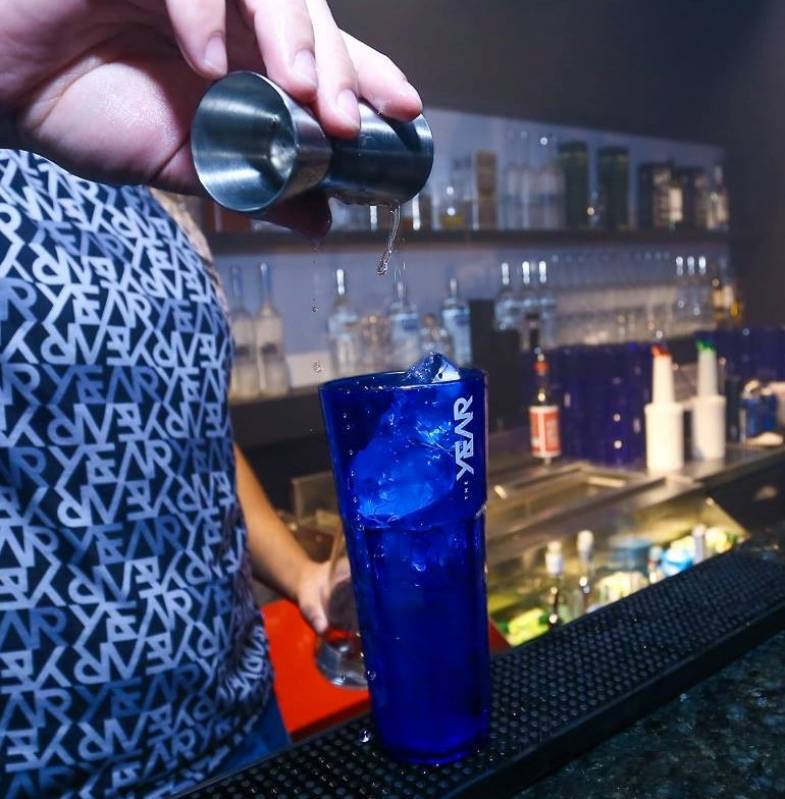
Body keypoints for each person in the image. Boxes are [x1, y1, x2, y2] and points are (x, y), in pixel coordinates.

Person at [0, 2, 422, 797]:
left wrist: (301, 574)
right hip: (49, 765)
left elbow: (183, 420)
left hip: (234, 726)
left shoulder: (144, 173)